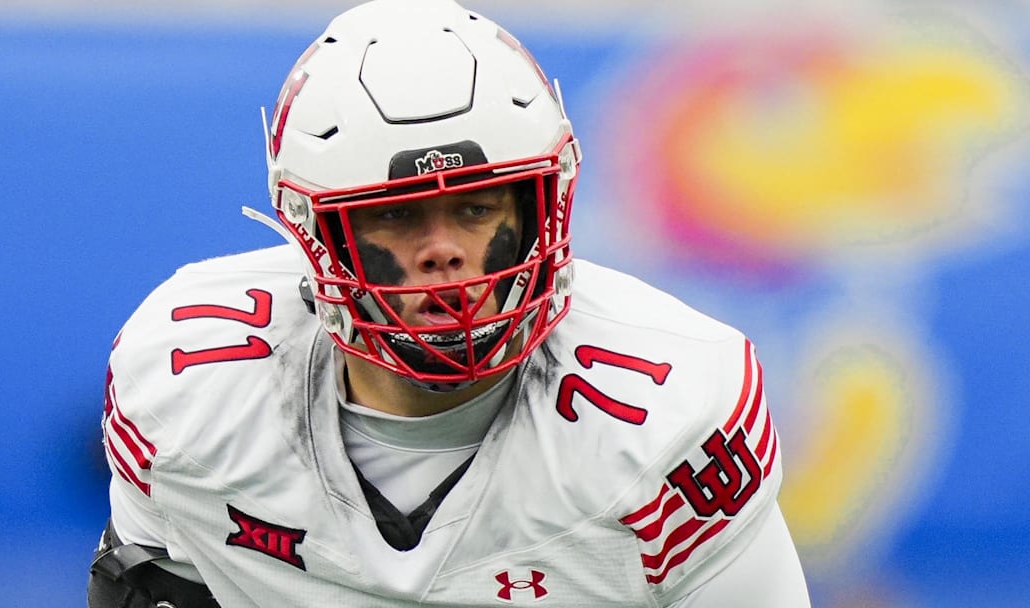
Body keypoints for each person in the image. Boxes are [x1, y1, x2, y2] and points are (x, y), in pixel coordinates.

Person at [87, 0, 811, 605]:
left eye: (477, 208)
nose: (444, 252)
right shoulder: (189, 383)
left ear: (537, 209)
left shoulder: (668, 416)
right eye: (396, 216)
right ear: (316, 235)